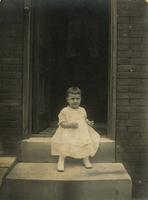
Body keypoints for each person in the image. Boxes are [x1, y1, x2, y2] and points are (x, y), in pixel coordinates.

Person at [51, 87, 101, 172]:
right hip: (68, 132)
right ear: (67, 99)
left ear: (80, 99)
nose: (75, 101)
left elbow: (84, 119)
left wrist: (88, 122)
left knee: (86, 143)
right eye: (72, 99)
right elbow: (62, 123)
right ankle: (61, 161)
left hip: (81, 133)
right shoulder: (65, 111)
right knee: (64, 145)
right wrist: (70, 125)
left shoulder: (82, 110)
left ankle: (86, 159)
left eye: (78, 99)